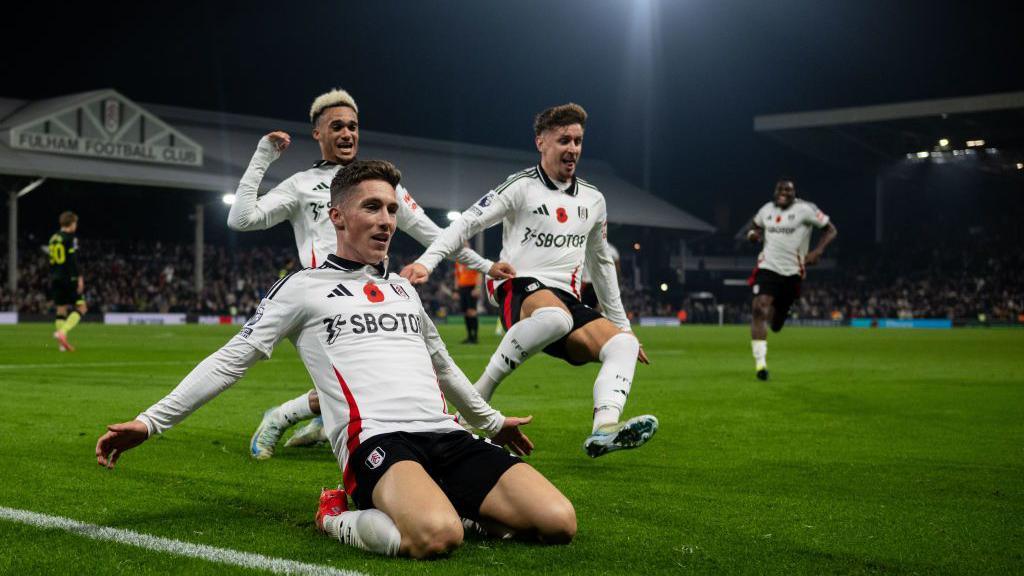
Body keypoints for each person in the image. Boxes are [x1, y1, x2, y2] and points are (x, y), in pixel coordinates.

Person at [96, 160, 576, 559]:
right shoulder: (301, 289)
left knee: (559, 523)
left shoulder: (404, 290)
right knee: (437, 537)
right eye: (372, 207)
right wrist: (149, 423)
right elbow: (230, 362)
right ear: (337, 217)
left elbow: (444, 367)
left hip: (446, 433)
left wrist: (490, 423)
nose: (387, 220)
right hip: (377, 441)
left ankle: (446, 501)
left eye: (391, 208)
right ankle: (334, 516)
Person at [226, 88, 511, 458]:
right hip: (323, 302)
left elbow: (436, 235)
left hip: (375, 295)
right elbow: (242, 218)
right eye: (337, 127)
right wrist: (263, 156)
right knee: (365, 384)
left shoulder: (380, 185)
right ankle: (284, 418)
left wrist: (486, 266)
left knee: (380, 381)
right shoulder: (300, 184)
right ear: (318, 134)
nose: (347, 134)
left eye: (353, 127)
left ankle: (306, 418)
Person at [401, 103, 657, 458]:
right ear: (541, 142)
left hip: (565, 300)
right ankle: (476, 400)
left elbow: (601, 264)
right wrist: (427, 262)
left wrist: (623, 326)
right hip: (517, 287)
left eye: (578, 141)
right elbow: (466, 224)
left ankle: (604, 428)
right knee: (556, 317)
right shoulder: (520, 187)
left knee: (622, 346)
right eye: (564, 139)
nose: (573, 149)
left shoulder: (593, 200)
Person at [746, 178, 838, 380]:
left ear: (794, 193)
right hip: (767, 267)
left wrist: (817, 251)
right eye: (780, 189)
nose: (783, 192)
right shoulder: (766, 210)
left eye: (788, 190)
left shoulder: (806, 210)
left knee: (777, 323)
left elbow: (831, 230)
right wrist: (752, 235)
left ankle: (778, 315)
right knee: (759, 307)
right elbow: (753, 228)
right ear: (774, 191)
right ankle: (760, 365)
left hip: (792, 272)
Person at [49, 211, 87, 351]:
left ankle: (61, 345)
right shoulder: (70, 238)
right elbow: (73, 260)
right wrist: (79, 278)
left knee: (61, 310)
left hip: (55, 277)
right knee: (82, 307)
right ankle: (62, 332)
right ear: (71, 224)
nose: (76, 226)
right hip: (68, 277)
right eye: (75, 223)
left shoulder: (53, 238)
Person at [580, 242, 620, 311]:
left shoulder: (585, 246)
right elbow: (617, 268)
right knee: (601, 307)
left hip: (591, 282)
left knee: (588, 307)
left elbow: (617, 267)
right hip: (597, 282)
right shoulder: (611, 250)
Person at [454, 257, 482, 343]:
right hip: (462, 288)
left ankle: (475, 337)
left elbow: (479, 273)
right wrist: (456, 290)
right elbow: (457, 276)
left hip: (472, 287)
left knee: (472, 311)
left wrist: (477, 288)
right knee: (466, 312)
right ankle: (469, 336)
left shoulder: (472, 258)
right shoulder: (458, 261)